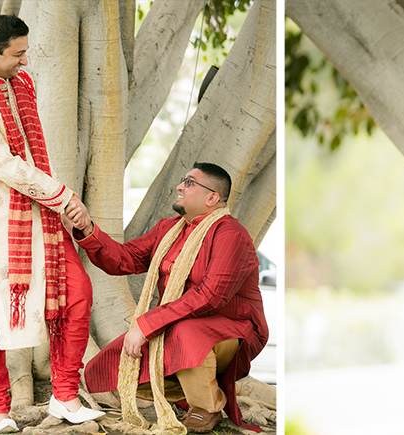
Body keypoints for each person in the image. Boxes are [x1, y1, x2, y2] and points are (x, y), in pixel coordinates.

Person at [0, 14, 105, 434]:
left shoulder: (22, 83)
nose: (25, 61)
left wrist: (55, 200)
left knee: (77, 293)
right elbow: (6, 165)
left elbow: (31, 156)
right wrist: (64, 197)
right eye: (17, 54)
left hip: (41, 215)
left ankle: (65, 395)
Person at [64, 162, 268, 434]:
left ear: (212, 198)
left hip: (236, 329)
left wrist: (146, 325)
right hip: (180, 325)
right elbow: (124, 259)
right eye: (183, 181)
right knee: (109, 363)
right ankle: (188, 392)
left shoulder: (231, 235)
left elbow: (210, 297)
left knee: (184, 333)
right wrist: (88, 229)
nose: (179, 187)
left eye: (189, 182)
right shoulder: (169, 229)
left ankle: (207, 407)